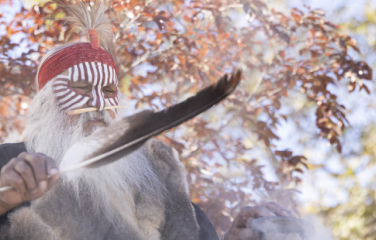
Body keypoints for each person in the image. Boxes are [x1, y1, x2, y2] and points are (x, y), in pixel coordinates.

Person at [0, 1, 293, 239]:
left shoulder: (158, 185)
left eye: (109, 90)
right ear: (44, 105)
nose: (99, 104)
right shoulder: (8, 162)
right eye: (82, 88)